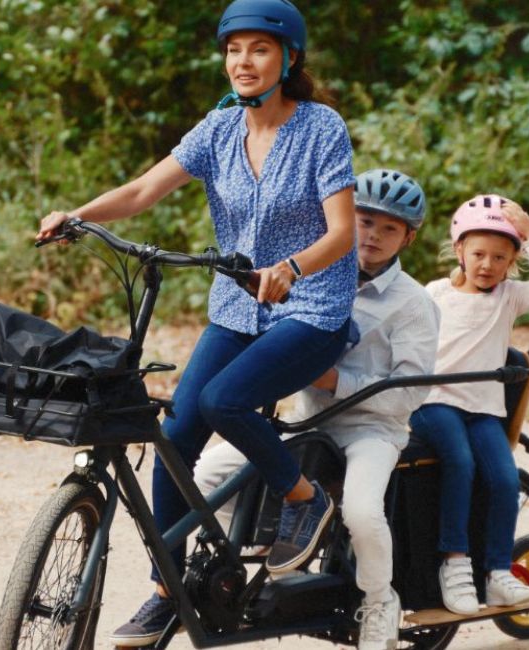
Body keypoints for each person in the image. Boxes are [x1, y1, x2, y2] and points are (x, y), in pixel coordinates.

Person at [30, 0, 360, 645]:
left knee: (224, 401)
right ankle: (167, 590)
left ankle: (305, 500)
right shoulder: (216, 131)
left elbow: (343, 231)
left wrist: (294, 266)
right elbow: (142, 191)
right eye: (234, 49)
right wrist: (77, 213)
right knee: (173, 437)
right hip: (238, 306)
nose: (244, 61)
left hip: (311, 305)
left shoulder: (322, 127)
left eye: (260, 49)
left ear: (289, 58)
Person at [184, 169, 437, 650]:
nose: (373, 236)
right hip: (305, 420)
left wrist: (335, 380)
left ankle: (380, 603)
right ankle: (242, 558)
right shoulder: (311, 277)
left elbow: (409, 392)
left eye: (389, 228)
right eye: (364, 221)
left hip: (371, 430)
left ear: (409, 236)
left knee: (362, 512)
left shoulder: (414, 304)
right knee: (209, 473)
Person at [409, 194, 529, 615]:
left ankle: (497, 572)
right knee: (460, 462)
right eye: (478, 253)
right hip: (434, 400)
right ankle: (454, 562)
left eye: (500, 257)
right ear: (458, 250)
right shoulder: (435, 292)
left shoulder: (508, 297)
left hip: (482, 408)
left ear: (512, 261)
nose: (487, 265)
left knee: (504, 479)